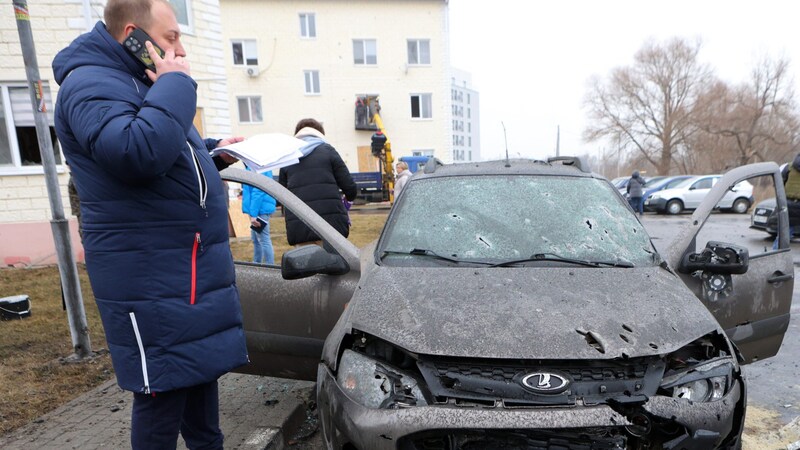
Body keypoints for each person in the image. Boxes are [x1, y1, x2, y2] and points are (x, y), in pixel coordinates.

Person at [51, 1, 248, 448]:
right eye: (172, 37)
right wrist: (177, 85)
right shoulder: (89, 83)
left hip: (184, 268)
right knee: (161, 400)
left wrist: (213, 151)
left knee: (200, 392)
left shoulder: (136, 81)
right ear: (133, 36)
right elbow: (135, 152)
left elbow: (164, 151)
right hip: (149, 275)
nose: (180, 50)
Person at [279, 118, 358, 247]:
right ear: (320, 133)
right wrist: (348, 200)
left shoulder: (289, 155)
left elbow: (280, 193)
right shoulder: (328, 151)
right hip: (330, 228)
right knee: (333, 264)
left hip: (300, 226)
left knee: (305, 264)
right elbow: (349, 188)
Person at [242, 169, 276, 264]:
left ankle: (270, 266)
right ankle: (257, 263)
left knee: (263, 240)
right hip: (258, 209)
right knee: (256, 240)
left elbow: (258, 192)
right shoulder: (258, 168)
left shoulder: (258, 168)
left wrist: (253, 214)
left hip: (259, 210)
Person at [773, 156, 800, 249]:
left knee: (783, 236)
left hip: (788, 205)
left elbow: (778, 184)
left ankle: (775, 257)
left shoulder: (788, 167)